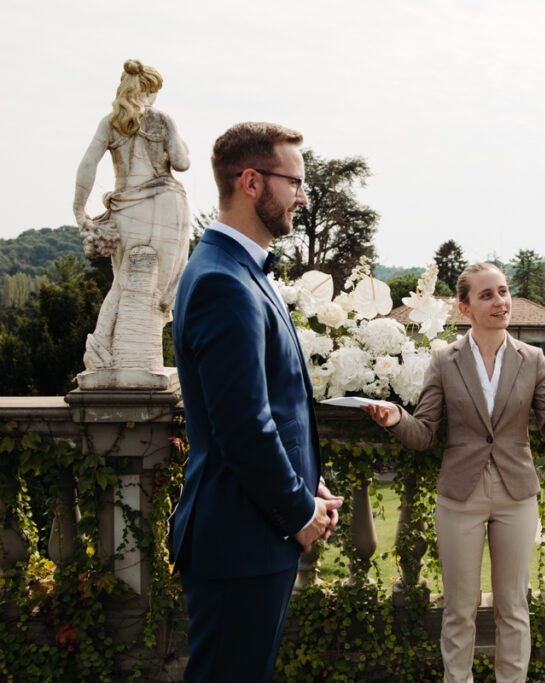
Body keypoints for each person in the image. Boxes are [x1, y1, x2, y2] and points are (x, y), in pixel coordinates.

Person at [363, 263, 545, 683]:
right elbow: (423, 435)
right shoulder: (444, 360)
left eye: (504, 292)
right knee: (459, 607)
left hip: (516, 496)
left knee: (514, 606)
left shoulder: (533, 359)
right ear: (465, 307)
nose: (500, 301)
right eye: (487, 295)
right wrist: (394, 418)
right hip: (459, 497)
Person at [170, 122, 343, 682]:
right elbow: (243, 424)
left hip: (253, 535)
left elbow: (274, 403)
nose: (303, 195)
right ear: (250, 181)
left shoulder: (244, 270)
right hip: (238, 540)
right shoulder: (223, 280)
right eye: (294, 181)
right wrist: (298, 512)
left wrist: (305, 482)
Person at [73, 59, 191, 372]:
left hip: (128, 208)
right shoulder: (162, 120)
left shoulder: (110, 122)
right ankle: (137, 360)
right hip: (166, 206)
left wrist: (79, 209)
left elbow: (88, 164)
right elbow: (181, 162)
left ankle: (103, 352)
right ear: (149, 91)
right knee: (158, 291)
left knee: (122, 282)